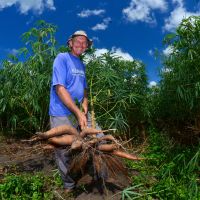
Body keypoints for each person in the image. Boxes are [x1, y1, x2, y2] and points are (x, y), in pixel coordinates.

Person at [49, 30, 103, 193]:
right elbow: (59, 88)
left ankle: (94, 170)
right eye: (78, 41)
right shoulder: (62, 58)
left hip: (79, 111)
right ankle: (69, 186)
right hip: (61, 112)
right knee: (64, 151)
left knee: (98, 138)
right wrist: (78, 113)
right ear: (70, 43)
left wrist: (84, 104)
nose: (81, 44)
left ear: (87, 47)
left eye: (84, 43)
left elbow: (84, 90)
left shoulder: (82, 65)